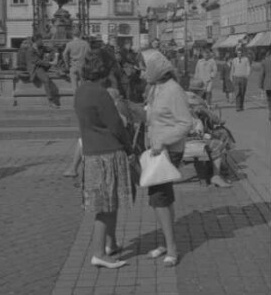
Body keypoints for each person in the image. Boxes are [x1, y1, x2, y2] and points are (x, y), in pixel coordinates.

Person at [74, 50, 133, 269]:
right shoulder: (100, 93)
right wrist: (130, 149)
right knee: (106, 207)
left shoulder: (81, 91)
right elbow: (116, 124)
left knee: (108, 203)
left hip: (92, 154)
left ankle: (111, 244)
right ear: (106, 70)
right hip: (107, 154)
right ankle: (99, 252)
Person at [144, 51, 192, 266]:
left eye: (145, 67)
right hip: (157, 149)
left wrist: (163, 140)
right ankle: (166, 241)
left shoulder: (173, 90)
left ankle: (171, 248)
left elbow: (185, 123)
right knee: (162, 198)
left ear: (155, 69)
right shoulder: (155, 88)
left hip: (169, 149)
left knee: (159, 198)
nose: (142, 71)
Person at [26, 34, 58, 108]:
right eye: (41, 40)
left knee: (51, 58)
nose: (42, 41)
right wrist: (50, 62)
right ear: (36, 41)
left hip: (42, 65)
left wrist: (56, 55)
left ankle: (53, 66)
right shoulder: (30, 50)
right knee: (46, 79)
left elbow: (53, 49)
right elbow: (37, 61)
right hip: (35, 68)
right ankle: (50, 101)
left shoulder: (41, 47)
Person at [63, 26, 90, 94]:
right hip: (83, 66)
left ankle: (76, 101)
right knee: (83, 86)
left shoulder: (69, 44)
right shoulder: (85, 43)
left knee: (74, 87)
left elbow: (64, 54)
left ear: (72, 34)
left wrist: (67, 64)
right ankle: (84, 101)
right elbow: (89, 54)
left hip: (73, 66)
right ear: (80, 34)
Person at [259, 46, 271, 122]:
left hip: (268, 84)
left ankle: (270, 113)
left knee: (269, 100)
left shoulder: (265, 61)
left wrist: (260, 85)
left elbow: (262, 74)